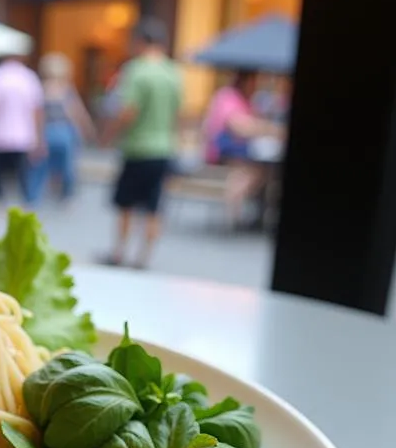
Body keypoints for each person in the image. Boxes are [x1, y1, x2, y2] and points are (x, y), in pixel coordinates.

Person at [102, 18, 183, 269]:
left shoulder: (136, 70)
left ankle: (119, 253)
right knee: (153, 207)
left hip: (138, 148)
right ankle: (143, 258)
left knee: (125, 204)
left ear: (140, 42)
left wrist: (108, 134)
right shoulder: (173, 73)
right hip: (164, 148)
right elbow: (177, 114)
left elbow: (129, 110)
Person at [203, 70, 284, 226]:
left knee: (262, 171)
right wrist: (268, 128)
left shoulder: (246, 99)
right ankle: (233, 215)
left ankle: (248, 214)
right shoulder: (228, 96)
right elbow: (240, 126)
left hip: (244, 151)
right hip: (226, 150)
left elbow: (254, 123)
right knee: (248, 172)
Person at [0, 55, 44, 205]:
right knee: (22, 171)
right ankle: (27, 200)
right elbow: (37, 110)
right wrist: (39, 137)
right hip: (23, 134)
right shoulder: (29, 77)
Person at [38, 52, 96, 201]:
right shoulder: (66, 89)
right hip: (64, 130)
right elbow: (76, 112)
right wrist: (87, 129)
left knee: (45, 164)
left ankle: (43, 191)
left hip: (46, 130)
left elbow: (37, 115)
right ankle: (65, 193)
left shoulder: (42, 88)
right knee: (68, 165)